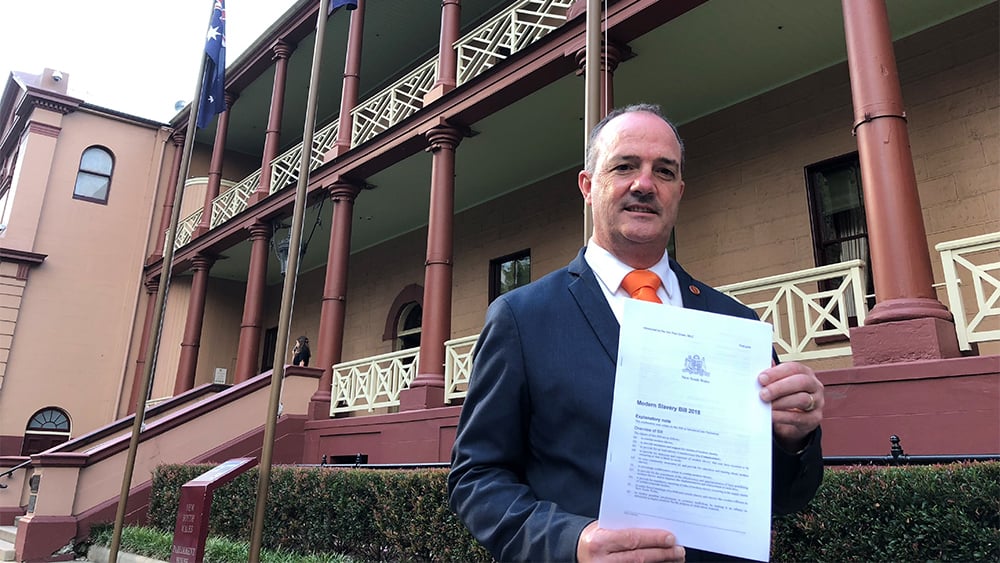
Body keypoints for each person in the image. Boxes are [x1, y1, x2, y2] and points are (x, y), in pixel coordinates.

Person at [448, 104, 824, 563]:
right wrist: (572, 542)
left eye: (663, 171)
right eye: (625, 166)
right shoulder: (521, 318)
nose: (644, 184)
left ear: (678, 192)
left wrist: (793, 440)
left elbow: (785, 498)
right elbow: (477, 477)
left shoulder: (736, 326)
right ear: (588, 186)